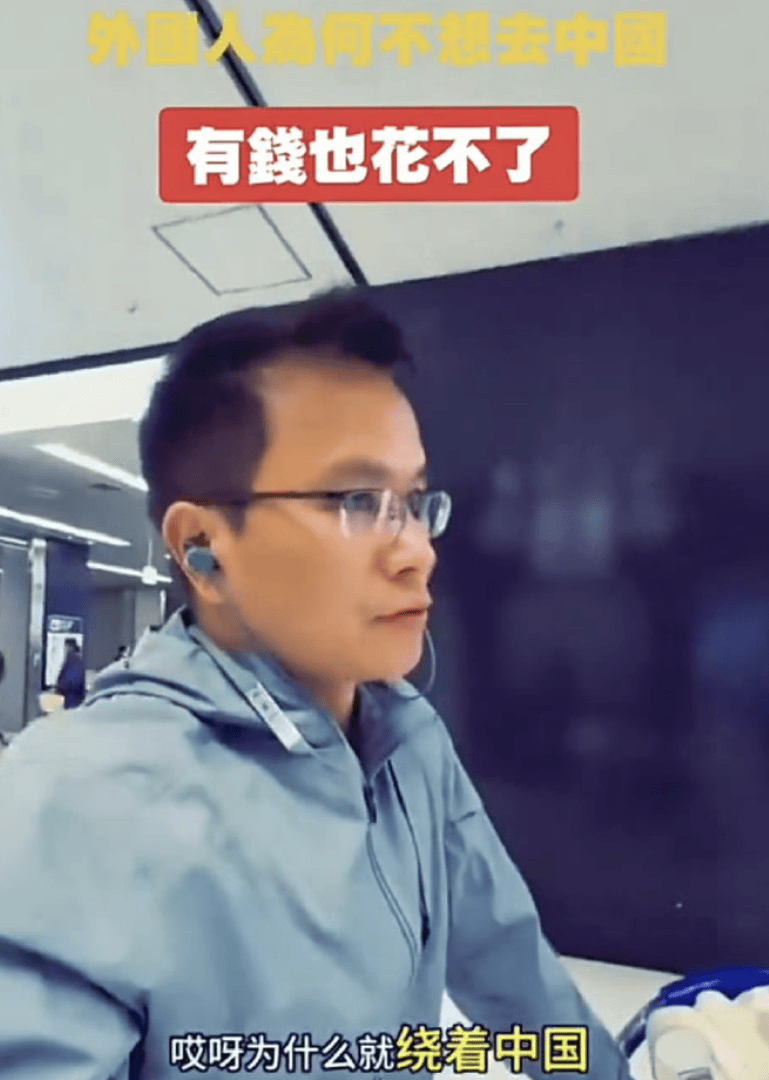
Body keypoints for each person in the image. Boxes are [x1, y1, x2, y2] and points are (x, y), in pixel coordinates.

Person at [0, 292, 632, 1079]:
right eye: (356, 502)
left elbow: (510, 970)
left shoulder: (406, 738)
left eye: (413, 503)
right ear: (202, 546)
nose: (416, 551)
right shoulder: (71, 799)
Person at [55, 636, 86, 709]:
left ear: (70, 646)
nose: (65, 649)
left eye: (66, 646)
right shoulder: (76, 658)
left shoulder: (73, 659)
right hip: (73, 694)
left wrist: (61, 687)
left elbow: (71, 678)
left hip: (71, 694)